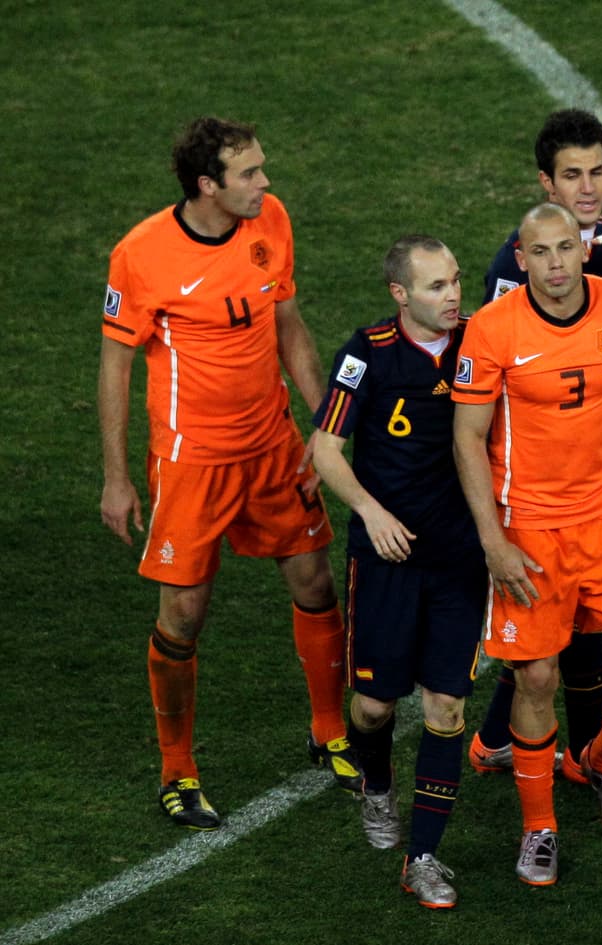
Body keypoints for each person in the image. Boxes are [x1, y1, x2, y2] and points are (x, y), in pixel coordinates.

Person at [98, 116, 360, 830]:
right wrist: (117, 477)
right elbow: (116, 366)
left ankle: (330, 731)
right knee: (182, 616)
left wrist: (325, 427)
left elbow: (290, 327)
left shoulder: (269, 220)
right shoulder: (141, 255)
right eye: (249, 173)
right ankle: (177, 771)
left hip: (272, 443)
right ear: (207, 186)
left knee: (314, 578)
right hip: (192, 461)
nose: (265, 183)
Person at [453, 203, 602, 886]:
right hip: (528, 529)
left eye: (564, 249)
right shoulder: (491, 330)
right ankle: (539, 826)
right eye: (540, 253)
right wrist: (492, 539)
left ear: (584, 251)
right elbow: (466, 437)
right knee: (540, 677)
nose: (554, 265)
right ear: (521, 261)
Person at [471, 108, 602, 796]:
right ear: (545, 184)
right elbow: (502, 379)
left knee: (582, 634)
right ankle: (551, 752)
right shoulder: (517, 267)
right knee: (548, 649)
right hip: (530, 491)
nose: (588, 188)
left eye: (597, 172)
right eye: (572, 175)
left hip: (587, 483)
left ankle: (558, 749)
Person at [311, 236, 484, 909]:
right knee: (375, 706)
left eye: (457, 281)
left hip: (460, 558)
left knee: (444, 708)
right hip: (386, 558)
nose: (453, 296)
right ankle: (376, 785)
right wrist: (370, 512)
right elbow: (325, 446)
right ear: (400, 294)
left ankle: (423, 857)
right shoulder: (368, 352)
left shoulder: (481, 339)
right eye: (437, 286)